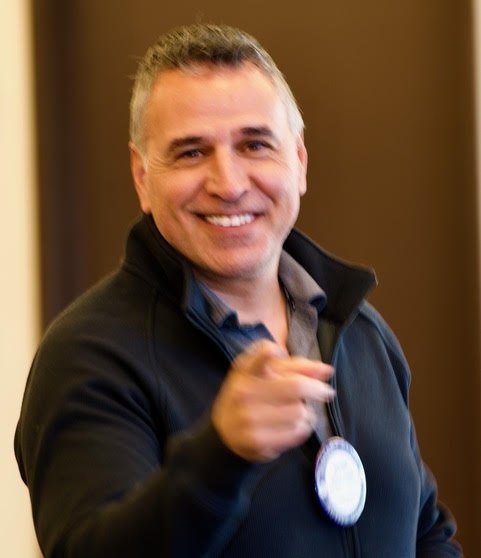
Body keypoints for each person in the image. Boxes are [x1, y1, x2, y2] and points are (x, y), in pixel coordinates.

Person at [15, 23, 461, 557]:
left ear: (299, 161)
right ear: (142, 177)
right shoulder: (88, 357)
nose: (228, 184)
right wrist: (220, 456)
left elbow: (425, 530)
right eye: (190, 153)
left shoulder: (360, 330)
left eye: (254, 144)